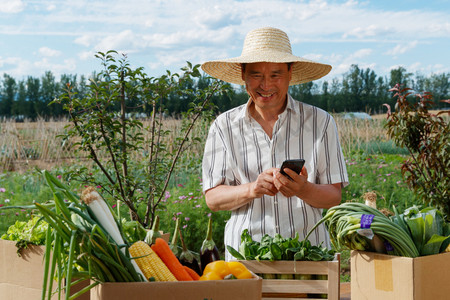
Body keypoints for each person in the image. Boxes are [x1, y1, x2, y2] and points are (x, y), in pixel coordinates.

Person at [201, 27, 349, 260]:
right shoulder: (224, 126)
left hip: (309, 255)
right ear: (243, 74)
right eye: (256, 75)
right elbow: (213, 198)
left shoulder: (321, 122)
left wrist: (303, 189)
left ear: (290, 73)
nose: (266, 85)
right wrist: (252, 189)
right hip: (245, 260)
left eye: (275, 75)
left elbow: (334, 196)